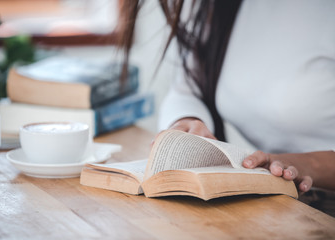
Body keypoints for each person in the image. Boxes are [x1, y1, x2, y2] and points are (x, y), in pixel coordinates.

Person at [117, 0, 335, 214]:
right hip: (280, 199)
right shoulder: (215, 6)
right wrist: (187, 121)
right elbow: (187, 89)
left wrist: (310, 164)